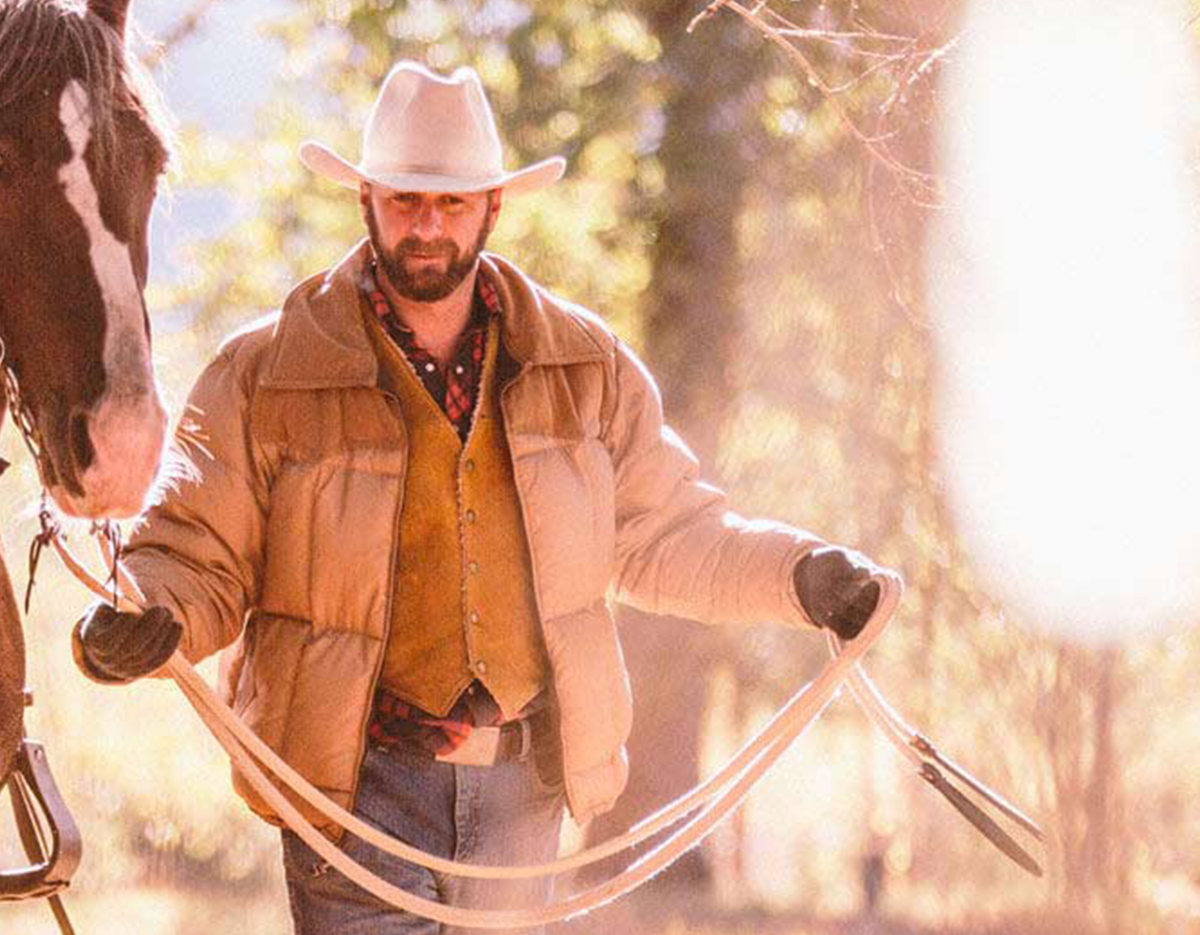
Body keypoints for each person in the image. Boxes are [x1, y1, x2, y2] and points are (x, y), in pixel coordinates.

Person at [71, 61, 890, 934]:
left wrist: (802, 577)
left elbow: (673, 532)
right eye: (405, 200)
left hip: (523, 798)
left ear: (493, 209)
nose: (427, 226)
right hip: (354, 790)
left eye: (452, 203)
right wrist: (151, 614)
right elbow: (198, 554)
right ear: (367, 201)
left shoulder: (586, 365)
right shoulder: (264, 373)